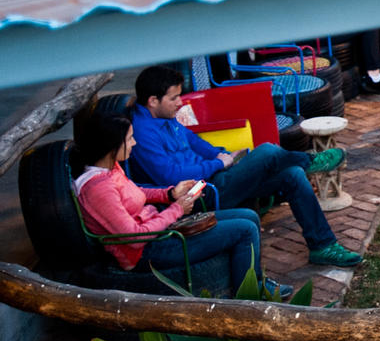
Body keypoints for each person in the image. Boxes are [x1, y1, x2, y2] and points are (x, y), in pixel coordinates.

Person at [126, 65, 364, 267]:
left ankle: (322, 246)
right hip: (198, 195)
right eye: (174, 98)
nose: (180, 103)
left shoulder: (164, 116)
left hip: (215, 178)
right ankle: (310, 161)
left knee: (291, 175)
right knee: (269, 151)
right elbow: (169, 175)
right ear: (153, 101)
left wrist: (223, 154)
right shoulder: (142, 133)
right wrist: (216, 164)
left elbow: (194, 142)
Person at [71, 105, 287, 298]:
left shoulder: (111, 168)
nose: (134, 143)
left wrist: (171, 193)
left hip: (160, 229)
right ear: (111, 146)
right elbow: (135, 238)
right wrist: (176, 209)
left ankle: (254, 282)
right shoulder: (99, 189)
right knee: (245, 229)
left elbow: (136, 192)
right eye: (129, 139)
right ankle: (249, 296)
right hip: (147, 250)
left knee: (248, 216)